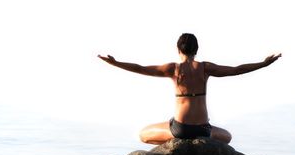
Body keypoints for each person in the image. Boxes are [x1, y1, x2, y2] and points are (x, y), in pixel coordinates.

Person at [98, 33, 281, 145]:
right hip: (204, 130)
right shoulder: (204, 68)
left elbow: (141, 68)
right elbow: (236, 70)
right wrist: (263, 64)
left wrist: (115, 63)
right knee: (227, 136)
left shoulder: (173, 69)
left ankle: (173, 144)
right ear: (197, 50)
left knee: (143, 134)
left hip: (181, 130)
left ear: (178, 49)